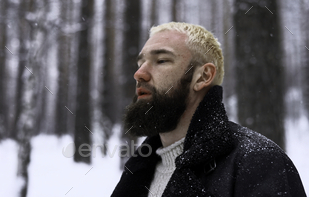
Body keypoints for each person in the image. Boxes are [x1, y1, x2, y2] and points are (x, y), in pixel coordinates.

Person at [111, 22, 306, 197]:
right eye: (140, 63)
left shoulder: (257, 162)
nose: (139, 74)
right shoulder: (141, 167)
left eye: (161, 60)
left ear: (203, 76)